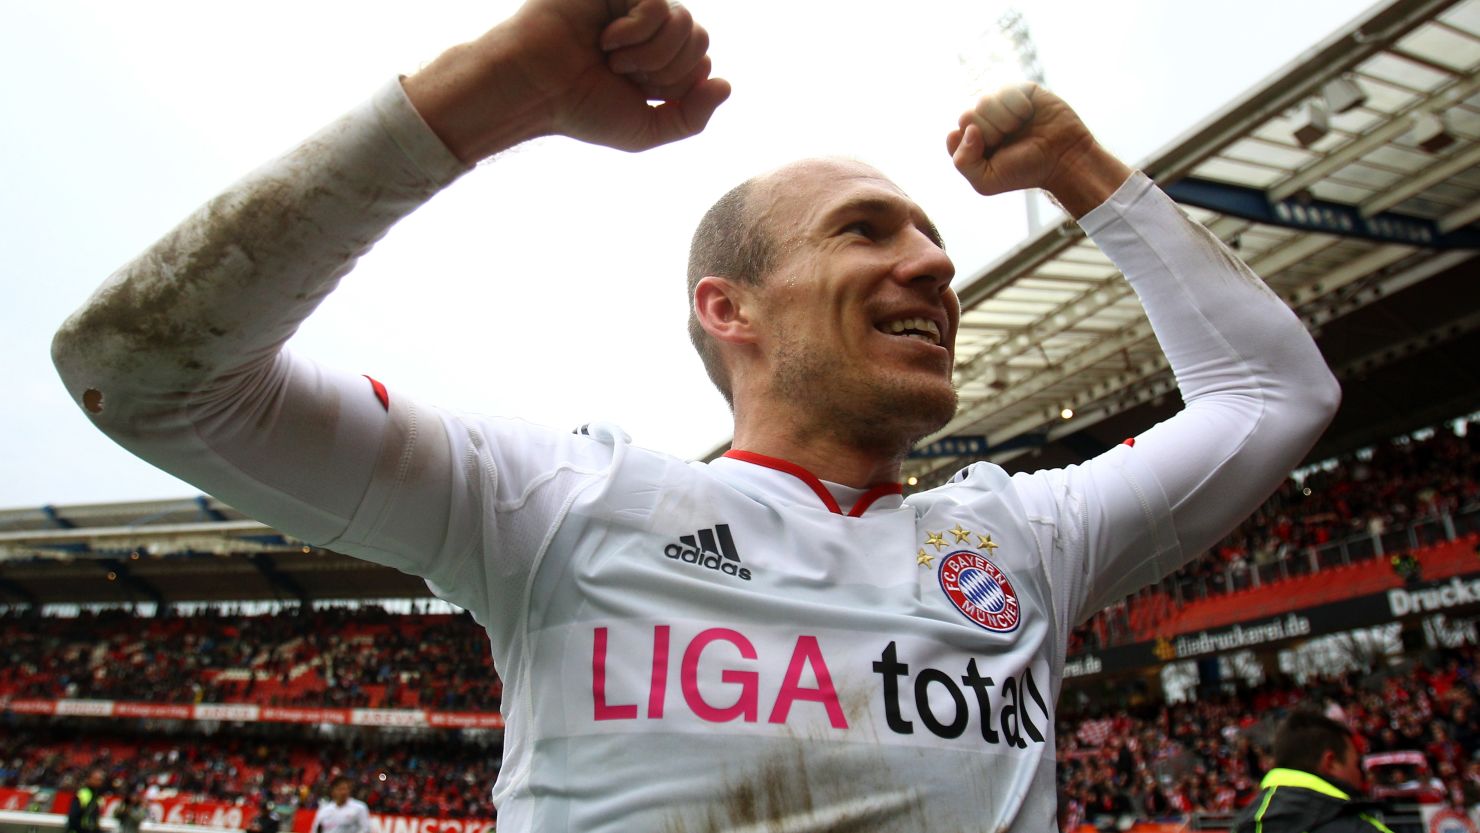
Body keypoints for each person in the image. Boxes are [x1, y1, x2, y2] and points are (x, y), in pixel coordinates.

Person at [51, 0, 1340, 829]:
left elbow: (1277, 394)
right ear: (730, 309)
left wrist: (1079, 169)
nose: (935, 265)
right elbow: (142, 374)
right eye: (864, 231)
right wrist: (489, 93)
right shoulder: (561, 505)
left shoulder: (1023, 541)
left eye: (937, 239)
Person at [1233, 711, 1392, 833]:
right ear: (1331, 762)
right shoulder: (1358, 828)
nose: (1360, 774)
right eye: (1357, 764)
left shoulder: (1247, 824)